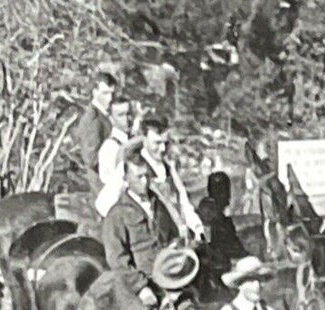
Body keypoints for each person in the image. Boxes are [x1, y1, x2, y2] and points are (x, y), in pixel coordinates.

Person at [101, 149, 184, 310]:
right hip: (137, 287)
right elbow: (118, 259)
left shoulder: (158, 206)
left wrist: (176, 250)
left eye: (148, 176)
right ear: (126, 179)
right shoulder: (118, 214)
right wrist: (142, 288)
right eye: (139, 177)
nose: (145, 182)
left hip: (166, 278)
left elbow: (171, 235)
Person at [140, 117, 205, 245]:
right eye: (157, 143)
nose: (163, 149)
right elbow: (105, 205)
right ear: (144, 140)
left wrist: (197, 228)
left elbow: (184, 204)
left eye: (166, 143)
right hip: (151, 243)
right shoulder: (134, 168)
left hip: (175, 240)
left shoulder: (169, 168)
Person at [196, 171, 248, 291]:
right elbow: (231, 244)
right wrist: (245, 254)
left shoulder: (205, 207)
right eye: (225, 191)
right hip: (217, 267)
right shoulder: (219, 217)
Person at [74, 72, 120, 198]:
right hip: (100, 184)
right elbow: (91, 160)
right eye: (105, 93)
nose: (110, 98)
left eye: (112, 93)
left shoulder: (105, 115)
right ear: (94, 92)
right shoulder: (93, 119)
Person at [93, 95, 137, 217]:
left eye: (129, 114)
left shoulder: (138, 142)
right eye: (121, 115)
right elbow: (112, 187)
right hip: (120, 208)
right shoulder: (109, 148)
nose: (127, 119)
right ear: (111, 119)